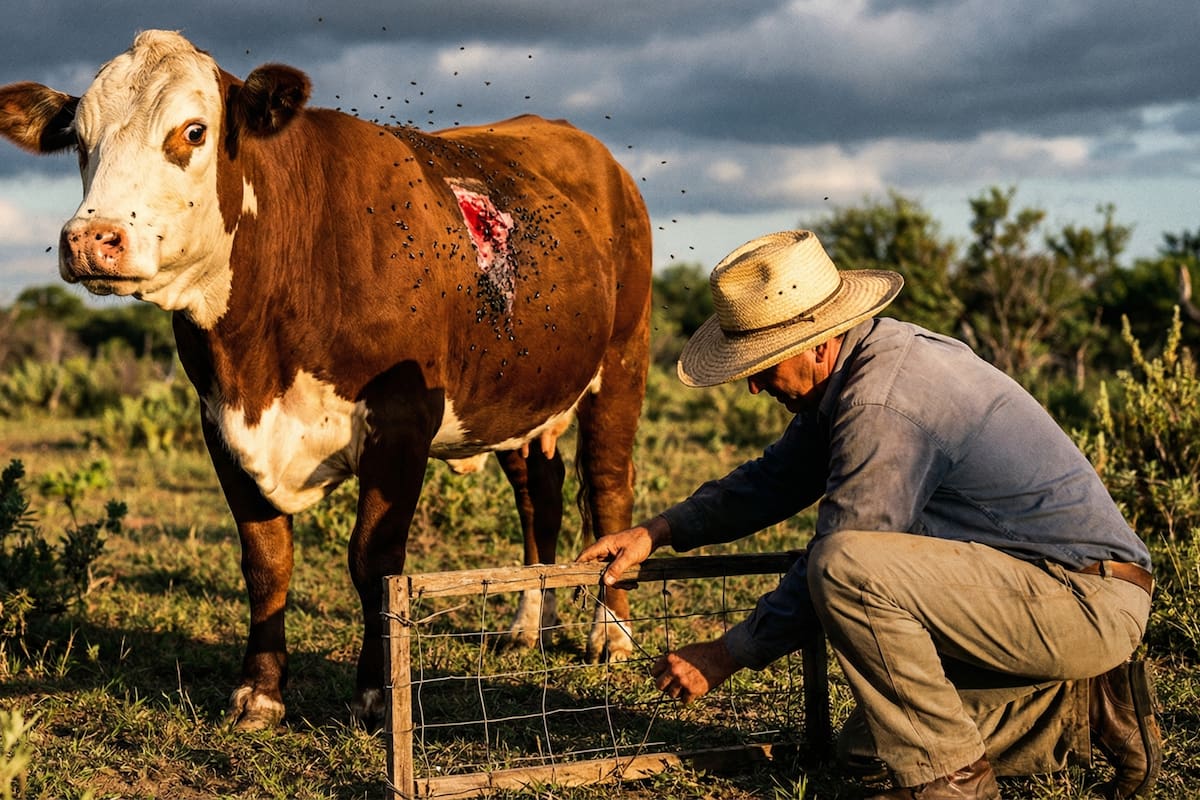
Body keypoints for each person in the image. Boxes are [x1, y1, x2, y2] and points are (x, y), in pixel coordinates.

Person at [577, 230, 1162, 799]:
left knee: (844, 565)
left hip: (1084, 600)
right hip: (1032, 595)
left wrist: (725, 654)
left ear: (815, 341)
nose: (755, 386)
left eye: (763, 364)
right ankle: (1089, 711)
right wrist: (658, 531)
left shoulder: (883, 401)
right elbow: (775, 479)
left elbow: (844, 561)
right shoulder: (861, 366)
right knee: (866, 751)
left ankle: (952, 783)